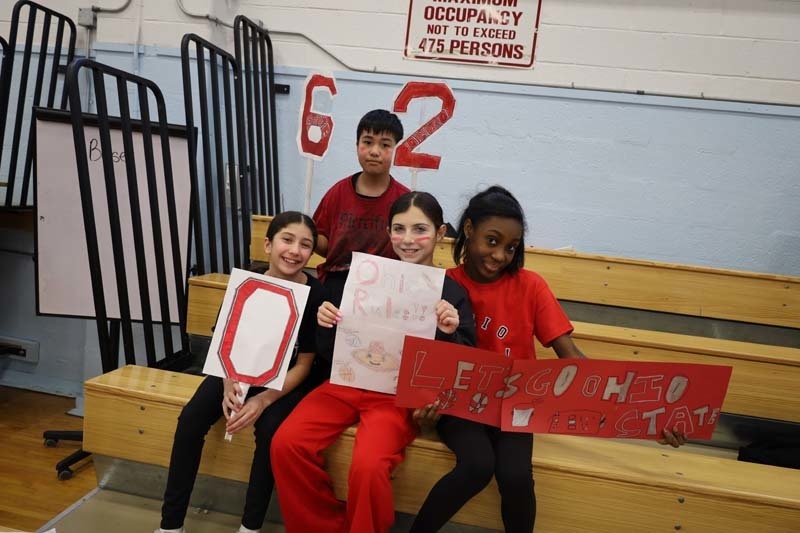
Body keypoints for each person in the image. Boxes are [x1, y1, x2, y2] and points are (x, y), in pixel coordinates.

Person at [409, 186, 687, 533]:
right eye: (491, 241)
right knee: (477, 465)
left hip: (516, 405)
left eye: (511, 247)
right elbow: (424, 359)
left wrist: (647, 416)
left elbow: (573, 360)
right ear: (468, 230)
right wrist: (423, 410)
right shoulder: (443, 285)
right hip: (460, 405)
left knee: (515, 477)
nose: (500, 255)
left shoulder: (530, 286)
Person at [271, 191, 477, 533]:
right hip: (345, 383)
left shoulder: (451, 292)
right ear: (388, 231)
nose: (408, 240)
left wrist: (450, 332)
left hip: (397, 397)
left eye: (419, 229)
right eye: (399, 229)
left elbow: (462, 363)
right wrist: (326, 322)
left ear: (441, 233)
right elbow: (330, 350)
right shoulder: (366, 275)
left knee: (368, 466)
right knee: (286, 443)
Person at [156, 212, 326, 533]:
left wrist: (262, 401)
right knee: (191, 419)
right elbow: (225, 339)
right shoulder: (247, 279)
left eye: (305, 245)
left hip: (285, 381)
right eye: (287, 240)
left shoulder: (316, 294)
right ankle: (170, 524)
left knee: (270, 430)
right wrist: (227, 384)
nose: (294, 250)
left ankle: (250, 526)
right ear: (268, 244)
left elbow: (304, 364)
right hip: (235, 370)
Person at [312, 108, 410, 299]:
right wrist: (304, 234)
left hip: (386, 288)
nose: (375, 151)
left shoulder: (405, 200)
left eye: (385, 145)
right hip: (337, 283)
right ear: (357, 145)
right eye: (367, 142)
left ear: (396, 149)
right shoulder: (337, 193)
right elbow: (322, 239)